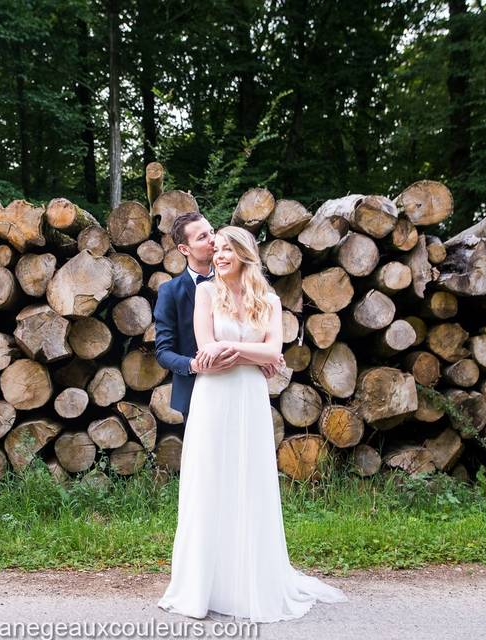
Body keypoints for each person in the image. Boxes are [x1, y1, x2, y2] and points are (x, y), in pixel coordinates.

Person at [157, 225, 348, 623]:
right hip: (212, 397)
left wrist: (247, 352)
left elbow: (274, 349)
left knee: (249, 481)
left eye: (227, 249)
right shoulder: (207, 294)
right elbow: (207, 348)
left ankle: (248, 582)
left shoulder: (270, 301)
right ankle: (203, 586)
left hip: (248, 399)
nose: (219, 254)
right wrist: (257, 355)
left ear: (245, 254)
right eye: (217, 248)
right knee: (210, 481)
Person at [153, 213, 281, 428]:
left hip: (245, 386)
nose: (213, 240)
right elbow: (163, 351)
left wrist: (268, 357)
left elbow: (262, 337)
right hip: (196, 389)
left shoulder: (250, 288)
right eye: (203, 237)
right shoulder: (170, 292)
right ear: (185, 249)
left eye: (212, 231)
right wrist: (195, 365)